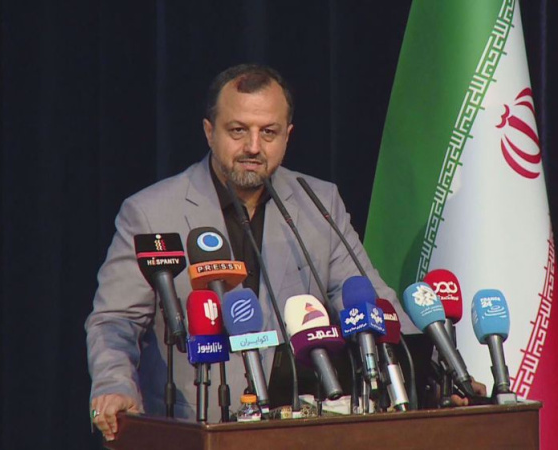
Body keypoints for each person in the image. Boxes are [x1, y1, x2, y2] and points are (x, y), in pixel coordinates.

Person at [85, 64, 423, 441]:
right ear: (209, 132)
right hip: (192, 429)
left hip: (295, 430)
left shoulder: (318, 202)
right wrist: (115, 384)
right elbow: (115, 321)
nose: (253, 147)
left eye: (269, 132)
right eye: (238, 130)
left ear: (287, 135)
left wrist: (435, 373)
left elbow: (370, 302)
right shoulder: (150, 213)